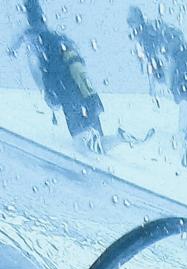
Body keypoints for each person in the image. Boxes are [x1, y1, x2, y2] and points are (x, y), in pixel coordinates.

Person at [9, 0, 151, 155]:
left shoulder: (35, 40)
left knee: (81, 144)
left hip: (68, 93)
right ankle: (119, 137)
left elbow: (38, 70)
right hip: (85, 89)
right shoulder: (57, 38)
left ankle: (119, 138)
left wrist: (48, 95)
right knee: (96, 139)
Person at [127, 6, 187, 166]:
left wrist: (158, 75)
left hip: (179, 64)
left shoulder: (147, 35)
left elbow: (155, 61)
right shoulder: (159, 29)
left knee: (185, 98)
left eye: (131, 23)